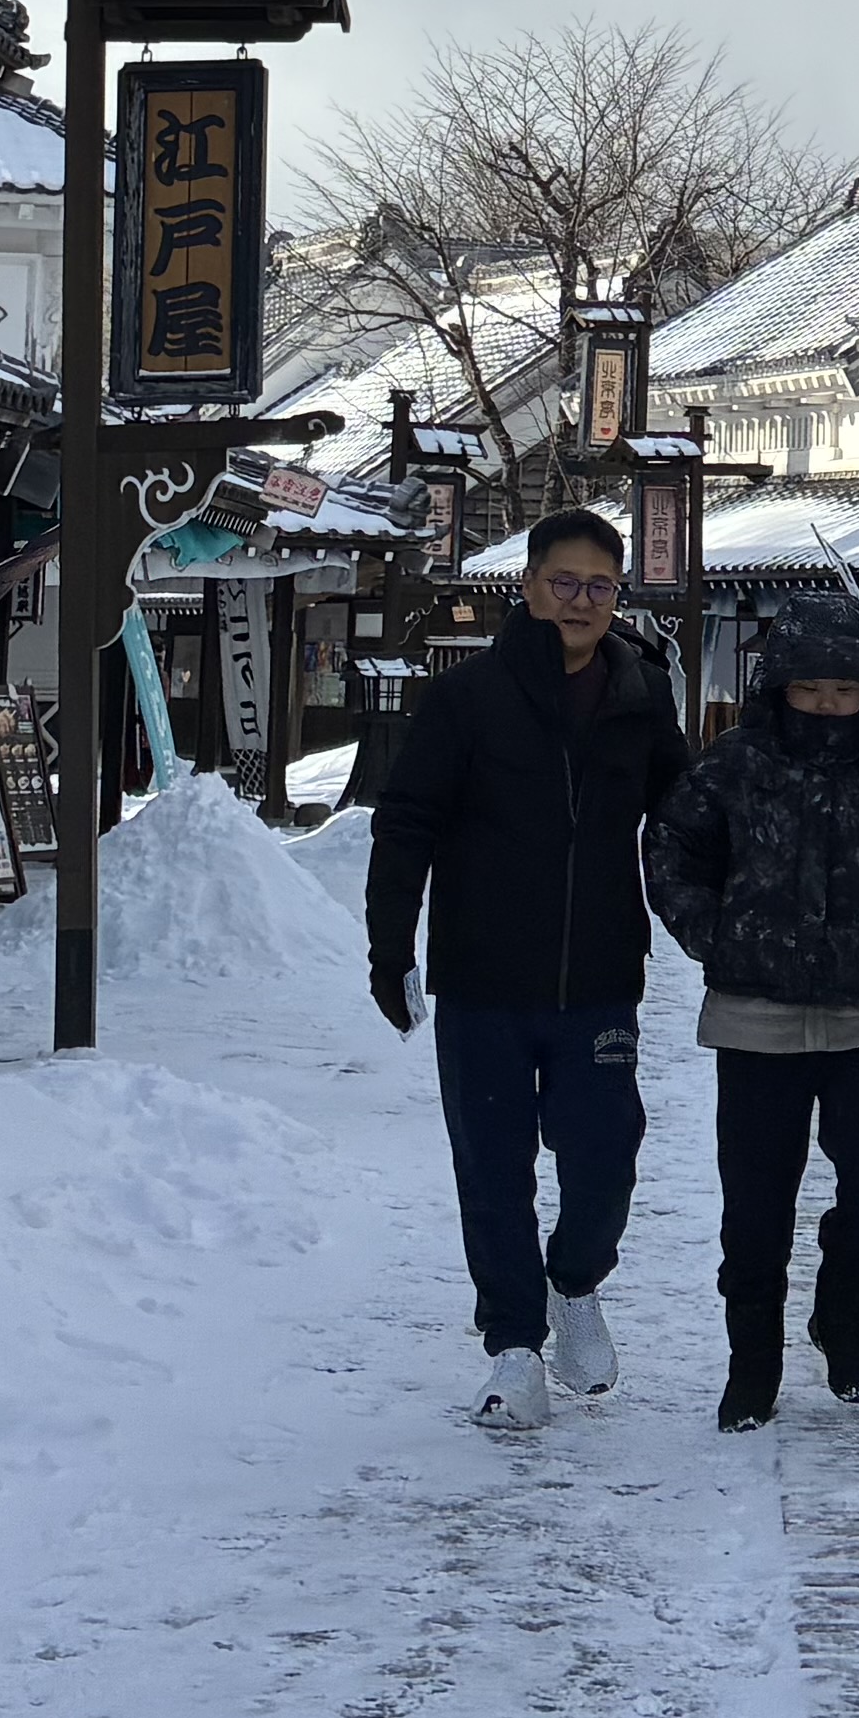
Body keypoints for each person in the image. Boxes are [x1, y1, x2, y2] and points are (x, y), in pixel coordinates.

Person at [368, 509, 690, 1431]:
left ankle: (576, 1281)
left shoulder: (639, 698)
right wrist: (390, 948)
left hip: (597, 976)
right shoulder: (468, 698)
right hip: (481, 978)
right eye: (564, 582)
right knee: (493, 1169)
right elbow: (408, 823)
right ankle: (514, 1346)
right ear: (529, 584)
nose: (580, 602)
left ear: (617, 595)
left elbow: (686, 817)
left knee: (605, 1157)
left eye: (599, 586)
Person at [646, 606, 859, 1430]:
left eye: (843, 689)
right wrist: (716, 933)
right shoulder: (735, 762)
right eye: (809, 687)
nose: (826, 703)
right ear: (778, 687)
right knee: (754, 1207)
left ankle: (843, 1312)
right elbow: (671, 845)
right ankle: (751, 1361)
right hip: (754, 1018)